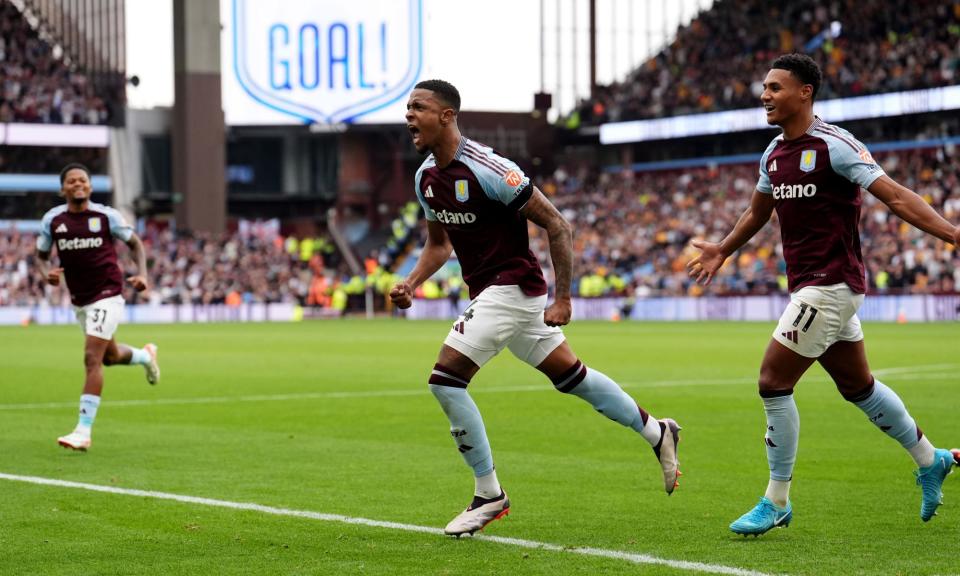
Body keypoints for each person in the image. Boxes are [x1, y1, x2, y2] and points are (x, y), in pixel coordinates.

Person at [391, 79, 682, 537]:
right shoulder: (426, 177)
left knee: (445, 382)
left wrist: (564, 297)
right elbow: (438, 244)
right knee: (573, 378)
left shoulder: (490, 168)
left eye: (418, 107)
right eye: (407, 108)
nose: (408, 116)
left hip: (512, 287)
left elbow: (557, 225)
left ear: (447, 115)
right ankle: (657, 432)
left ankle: (489, 494)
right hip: (495, 293)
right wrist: (410, 281)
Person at [687, 54, 960, 536]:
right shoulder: (773, 152)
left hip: (831, 285)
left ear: (805, 92)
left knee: (772, 382)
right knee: (859, 387)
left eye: (775, 87)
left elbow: (894, 196)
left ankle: (776, 500)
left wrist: (951, 233)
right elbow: (757, 212)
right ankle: (930, 458)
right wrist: (722, 250)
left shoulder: (836, 146)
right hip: (814, 286)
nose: (765, 95)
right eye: (764, 88)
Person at [37, 163, 160, 451]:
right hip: (80, 299)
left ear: (90, 186)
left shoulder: (106, 215)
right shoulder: (53, 220)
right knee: (109, 357)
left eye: (83, 180)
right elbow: (41, 256)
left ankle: (83, 431)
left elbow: (135, 244)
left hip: (108, 293)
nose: (77, 184)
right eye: (71, 181)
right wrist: (46, 273)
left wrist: (142, 273)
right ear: (63, 188)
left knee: (92, 358)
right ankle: (145, 355)